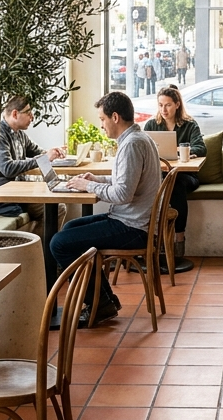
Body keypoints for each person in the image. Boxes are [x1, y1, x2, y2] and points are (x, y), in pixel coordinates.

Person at [53, 91, 161, 323]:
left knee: (60, 243)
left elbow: (122, 193)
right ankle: (104, 300)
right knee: (69, 228)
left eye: (102, 120)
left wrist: (89, 186)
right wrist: (96, 180)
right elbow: (127, 181)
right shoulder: (139, 138)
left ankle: (100, 303)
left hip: (133, 228)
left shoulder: (131, 145)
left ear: (114, 117)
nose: (101, 125)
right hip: (133, 221)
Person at [0, 95, 64, 226]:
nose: (32, 117)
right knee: (58, 208)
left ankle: (41, 245)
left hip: (14, 192)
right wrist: (43, 159)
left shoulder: (19, 134)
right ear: (15, 114)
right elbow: (7, 168)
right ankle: (44, 246)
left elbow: (38, 152)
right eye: (29, 113)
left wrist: (54, 152)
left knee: (57, 205)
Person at [143, 85, 205, 267]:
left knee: (175, 183)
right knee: (151, 186)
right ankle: (153, 238)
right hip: (159, 175)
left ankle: (179, 237)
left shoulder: (190, 124)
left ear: (177, 105)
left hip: (185, 176)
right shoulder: (151, 125)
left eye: (168, 105)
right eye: (161, 105)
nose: (164, 109)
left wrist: (180, 151)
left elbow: (201, 147)